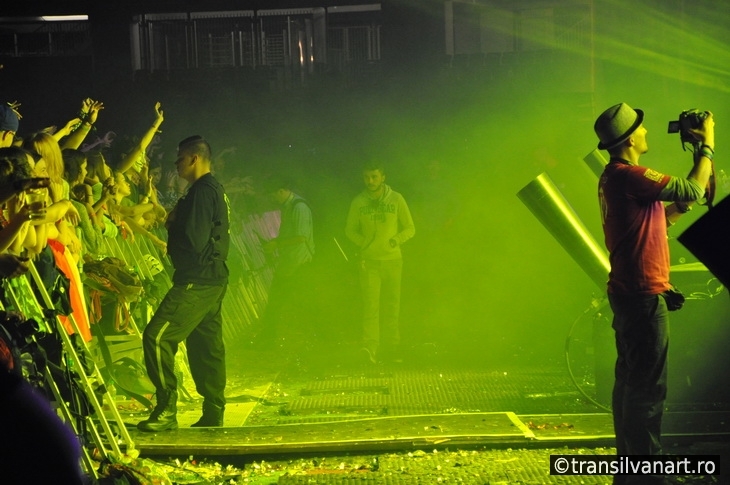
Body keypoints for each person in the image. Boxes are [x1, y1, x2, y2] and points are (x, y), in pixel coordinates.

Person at [594, 103, 713, 480]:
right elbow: (692, 186)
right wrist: (707, 145)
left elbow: (661, 219)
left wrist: (684, 195)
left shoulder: (614, 177)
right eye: (642, 129)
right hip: (643, 294)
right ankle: (649, 476)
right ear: (630, 140)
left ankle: (630, 471)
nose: (648, 133)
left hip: (632, 292)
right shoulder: (630, 175)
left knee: (630, 382)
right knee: (647, 391)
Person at [138, 136, 230, 431]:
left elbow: (193, 238)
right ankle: (214, 410)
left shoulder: (203, 191)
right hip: (212, 277)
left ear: (194, 158)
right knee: (206, 345)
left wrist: (172, 225)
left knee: (157, 336)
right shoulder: (210, 189)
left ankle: (166, 409)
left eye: (179, 159)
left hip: (198, 279)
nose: (175, 165)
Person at [345, 161, 415, 364]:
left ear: (383, 177)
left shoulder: (396, 198)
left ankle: (392, 347)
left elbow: (410, 228)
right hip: (370, 263)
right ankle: (370, 348)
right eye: (367, 177)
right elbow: (349, 230)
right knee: (371, 306)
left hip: (393, 261)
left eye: (374, 177)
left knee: (392, 305)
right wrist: (364, 244)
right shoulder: (358, 202)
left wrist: (396, 240)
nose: (370, 181)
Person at [256, 173, 315, 348]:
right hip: (289, 263)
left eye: (273, 194)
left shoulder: (299, 207)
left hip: (299, 264)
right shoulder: (289, 206)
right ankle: (269, 337)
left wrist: (276, 244)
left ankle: (269, 338)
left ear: (281, 191)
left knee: (285, 302)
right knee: (281, 301)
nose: (273, 198)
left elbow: (301, 238)